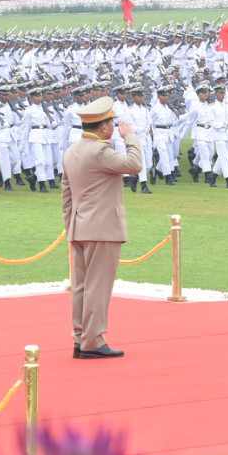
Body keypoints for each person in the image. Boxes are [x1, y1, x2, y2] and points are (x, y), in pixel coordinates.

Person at [62, 96, 141, 359]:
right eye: (111, 123)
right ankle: (93, 339)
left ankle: (80, 336)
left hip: (80, 225)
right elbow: (134, 165)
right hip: (102, 227)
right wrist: (130, 137)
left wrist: (71, 225)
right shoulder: (100, 151)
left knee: (81, 286)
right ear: (104, 126)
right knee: (98, 286)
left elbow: (66, 195)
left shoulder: (72, 151)